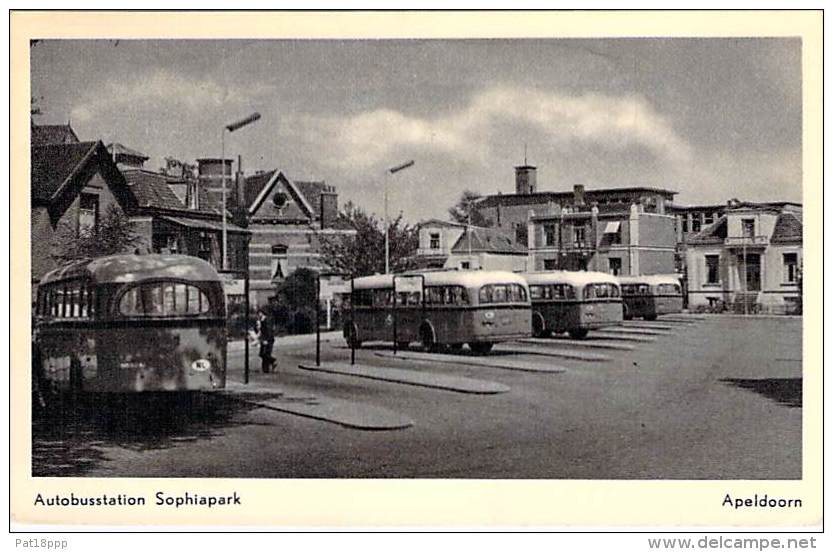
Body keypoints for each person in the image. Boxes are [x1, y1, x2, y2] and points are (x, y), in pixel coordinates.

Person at [256, 308, 276, 374]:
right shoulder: (261, 321)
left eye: (259, 314)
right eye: (258, 314)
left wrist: (267, 340)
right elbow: (260, 330)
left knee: (266, 353)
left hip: (268, 339)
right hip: (263, 339)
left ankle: (270, 364)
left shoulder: (266, 320)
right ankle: (266, 368)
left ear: (262, 313)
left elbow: (269, 331)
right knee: (262, 354)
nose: (258, 315)